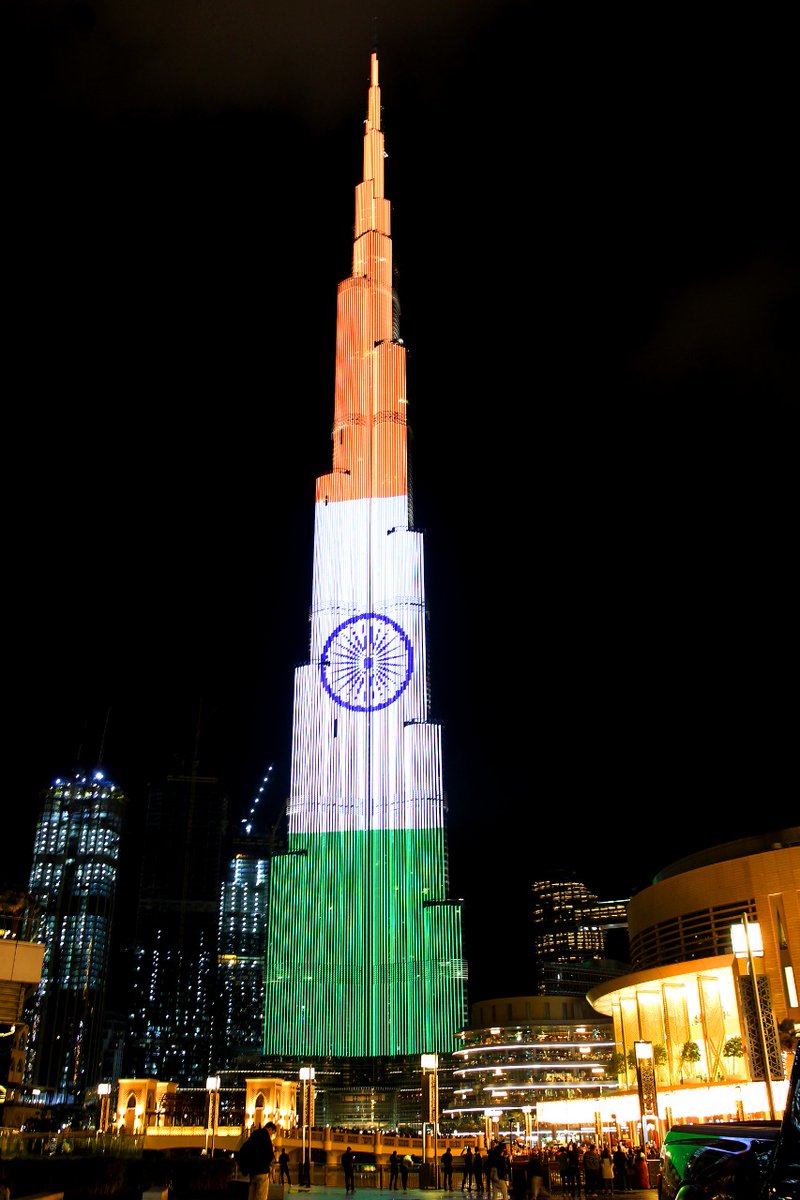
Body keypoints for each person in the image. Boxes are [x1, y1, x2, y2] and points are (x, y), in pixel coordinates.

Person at [237, 1120, 277, 1200]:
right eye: (272, 1133)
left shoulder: (254, 1135)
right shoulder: (265, 1136)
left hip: (253, 1172)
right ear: (270, 1129)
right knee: (261, 1196)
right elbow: (269, 1153)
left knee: (251, 1195)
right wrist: (270, 1162)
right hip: (262, 1171)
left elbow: (244, 1150)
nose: (271, 1135)